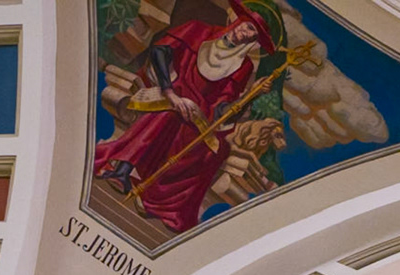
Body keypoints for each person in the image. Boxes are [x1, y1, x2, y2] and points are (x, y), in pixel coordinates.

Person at [93, 1, 283, 232]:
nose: (245, 31)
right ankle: (122, 169)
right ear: (237, 21)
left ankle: (158, 200)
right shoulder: (199, 30)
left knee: (213, 151)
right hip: (171, 91)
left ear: (254, 40)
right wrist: (171, 93)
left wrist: (251, 96)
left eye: (252, 31)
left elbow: (224, 108)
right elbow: (160, 51)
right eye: (247, 24)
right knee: (169, 115)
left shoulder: (242, 67)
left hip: (200, 113)